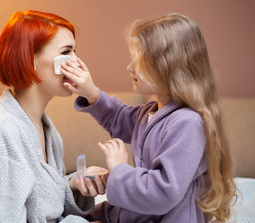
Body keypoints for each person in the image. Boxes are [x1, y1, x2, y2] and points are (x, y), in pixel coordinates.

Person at [61, 13, 237, 222]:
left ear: (168, 65)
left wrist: (119, 169)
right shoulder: (148, 114)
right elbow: (117, 116)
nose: (130, 67)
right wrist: (90, 92)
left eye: (139, 60)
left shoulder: (188, 124)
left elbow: (162, 192)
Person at [0, 10, 108, 223]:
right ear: (30, 60)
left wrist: (73, 185)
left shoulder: (47, 129)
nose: (77, 63)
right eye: (66, 52)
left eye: (75, 52)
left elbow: (41, 201)